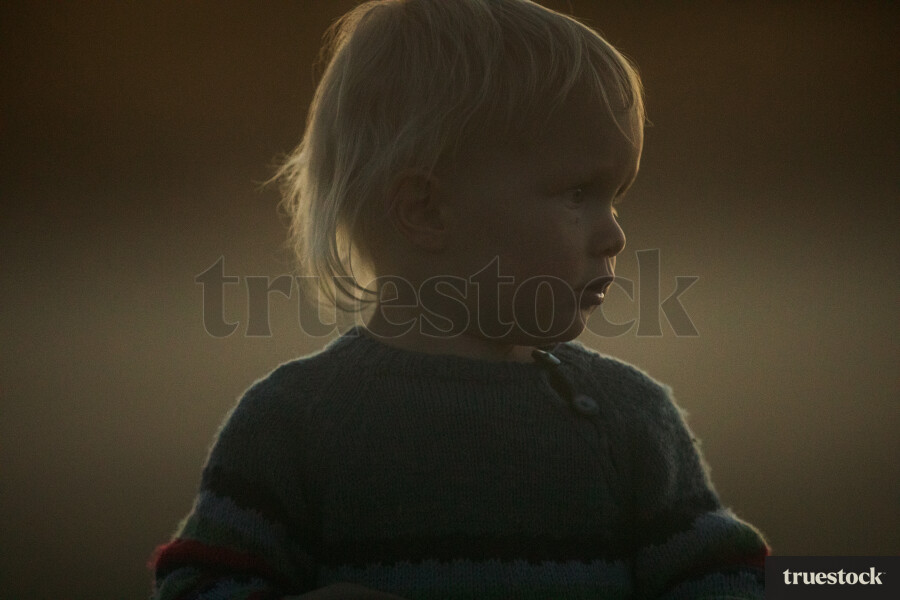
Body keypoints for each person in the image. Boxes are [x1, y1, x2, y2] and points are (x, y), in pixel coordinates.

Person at [150, 1, 769, 598]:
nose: (615, 233)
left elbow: (723, 573)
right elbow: (201, 583)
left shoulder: (628, 421)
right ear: (426, 209)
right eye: (580, 193)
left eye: (617, 197)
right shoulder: (292, 425)